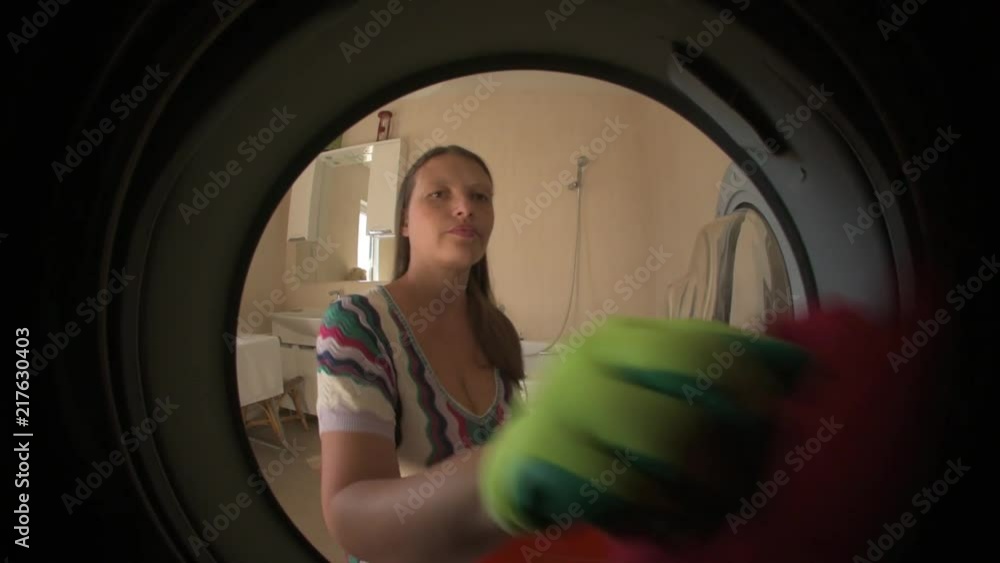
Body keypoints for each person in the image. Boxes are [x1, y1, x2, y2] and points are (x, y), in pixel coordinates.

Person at [316, 145, 525, 563]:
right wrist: (514, 462)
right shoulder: (358, 324)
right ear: (405, 223)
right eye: (439, 194)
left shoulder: (499, 330)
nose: (465, 208)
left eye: (480, 196)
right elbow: (350, 517)